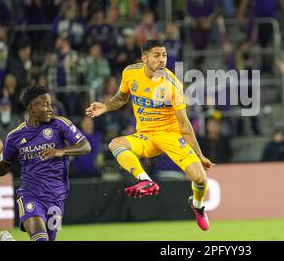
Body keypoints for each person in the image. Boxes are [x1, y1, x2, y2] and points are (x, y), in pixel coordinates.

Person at [86, 39, 215, 231]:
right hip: (146, 135)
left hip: (170, 135)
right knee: (115, 144)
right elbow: (122, 98)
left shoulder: (172, 84)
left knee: (200, 180)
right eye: (157, 55)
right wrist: (105, 106)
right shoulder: (130, 72)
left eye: (164, 55)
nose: (162, 59)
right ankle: (144, 179)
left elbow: (184, 123)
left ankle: (197, 205)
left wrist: (199, 154)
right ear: (144, 57)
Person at [0, 85, 91, 241]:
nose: (50, 108)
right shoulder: (15, 136)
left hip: (57, 197)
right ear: (32, 108)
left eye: (50, 103)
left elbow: (85, 146)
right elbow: (2, 171)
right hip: (31, 195)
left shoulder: (60, 125)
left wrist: (61, 151)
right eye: (45, 104)